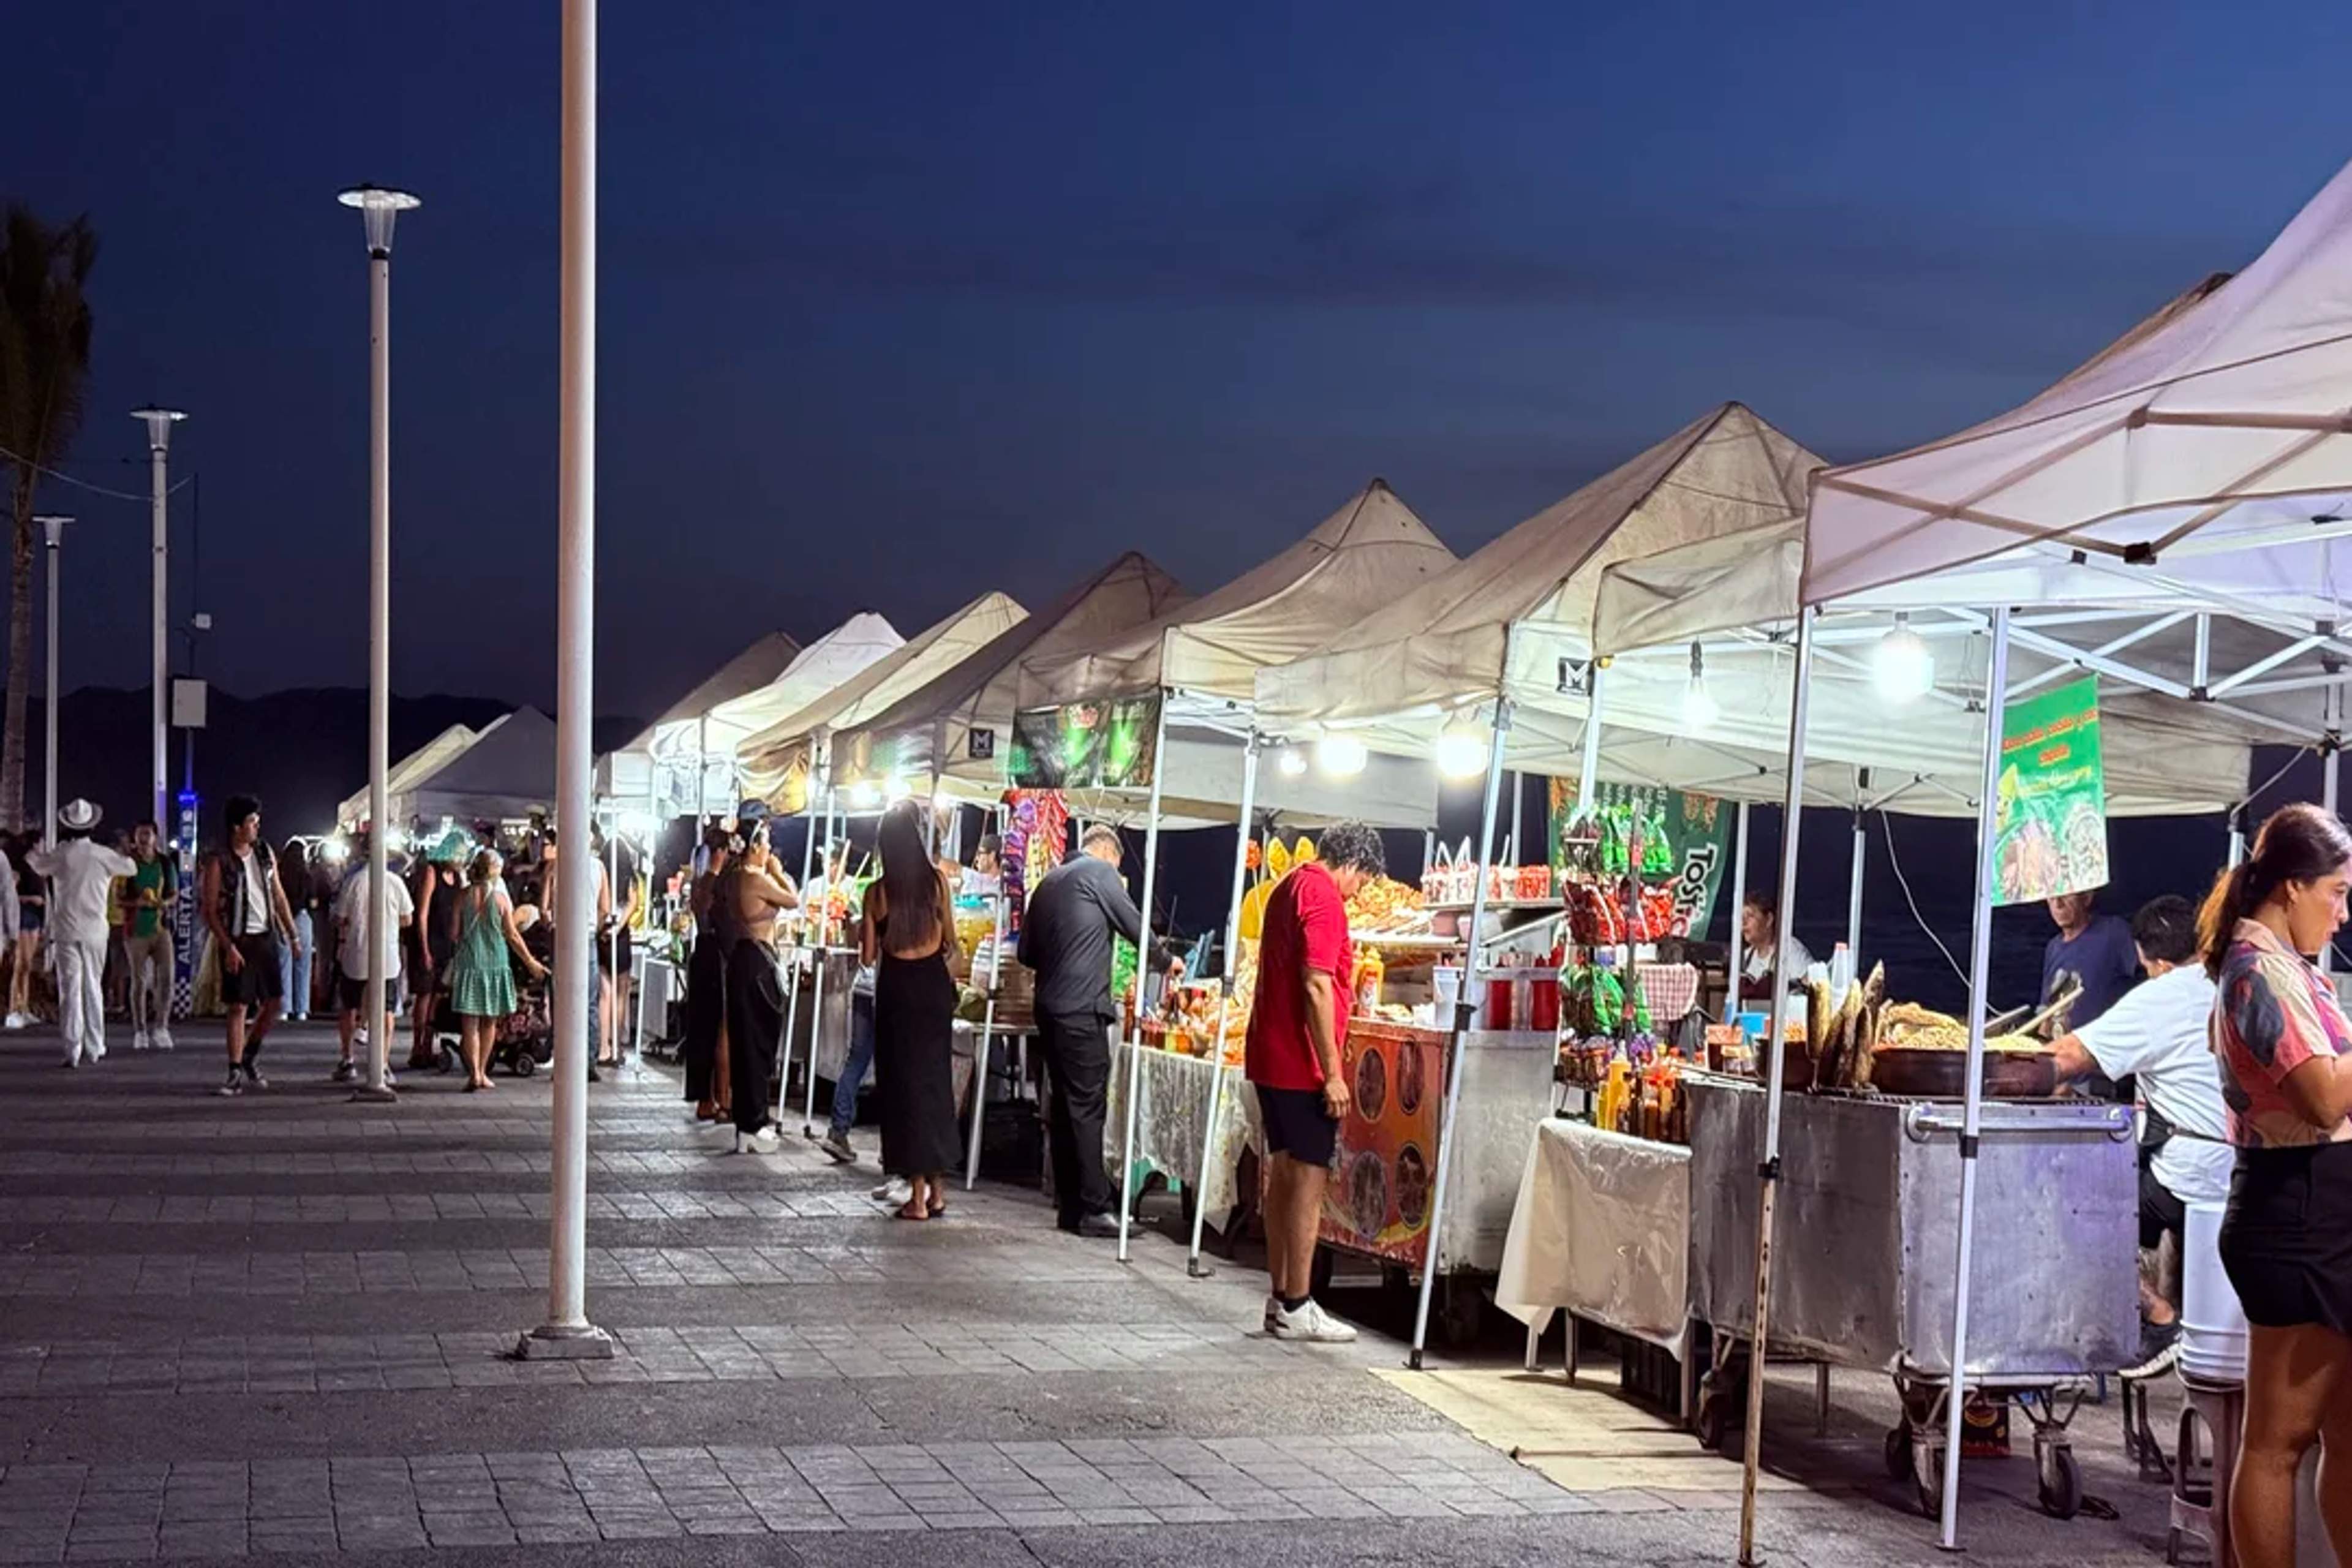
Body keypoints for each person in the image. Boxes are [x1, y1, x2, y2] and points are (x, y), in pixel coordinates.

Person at [2197, 802, 2352, 1568]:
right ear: (2292, 887)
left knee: (2347, 1432)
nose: (2344, 912)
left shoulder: (2290, 969)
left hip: (2326, 1203)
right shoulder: (2256, 972)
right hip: (2293, 1209)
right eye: (2337, 892)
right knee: (2277, 1439)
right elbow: (2323, 1097)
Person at [2048, 894, 2228, 1376]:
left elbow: (2066, 1058)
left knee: (2069, 1212)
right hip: (2248, 1172)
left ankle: (2159, 1318)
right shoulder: (2232, 983)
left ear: (2160, 963)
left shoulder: (2163, 994)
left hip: (2191, 1177)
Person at [1245, 820, 1385, 1343]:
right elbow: (1318, 985)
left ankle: (1281, 1298)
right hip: (1300, 1063)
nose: (1359, 893)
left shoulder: (1290, 884)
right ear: (1352, 864)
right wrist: (1333, 1072)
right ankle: (1299, 1302)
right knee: (1307, 1182)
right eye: (1363, 883)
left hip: (1271, 1055)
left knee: (1283, 1177)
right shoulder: (1324, 896)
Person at [1018, 824, 1183, 1236]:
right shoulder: (1101, 874)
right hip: (1081, 1010)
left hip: (1048, 1009)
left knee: (1061, 1106)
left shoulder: (1049, 882)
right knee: (1088, 1106)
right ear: (1110, 853)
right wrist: (1167, 962)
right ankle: (1096, 1208)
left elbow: (1026, 953)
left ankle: (1070, 1205)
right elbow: (1133, 925)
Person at [862, 798, 960, 1219]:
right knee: (934, 1085)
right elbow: (952, 940)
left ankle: (917, 1199)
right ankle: (937, 1191)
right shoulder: (937, 883)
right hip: (933, 988)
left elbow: (867, 956)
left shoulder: (877, 893)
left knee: (904, 1090)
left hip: (899, 991)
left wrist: (866, 926)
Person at [199, 796, 298, 1095]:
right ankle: (234, 1070)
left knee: (275, 1002)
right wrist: (227, 945)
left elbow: (278, 895)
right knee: (238, 1005)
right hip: (238, 939)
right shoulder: (220, 860)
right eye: (252, 822)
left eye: (257, 822)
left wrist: (292, 934)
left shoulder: (265, 853)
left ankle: (250, 1054)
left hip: (266, 935)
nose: (257, 827)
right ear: (236, 827)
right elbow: (210, 909)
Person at [714, 805, 799, 1152]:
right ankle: (753, 1120)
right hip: (757, 961)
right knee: (758, 1043)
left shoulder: (733, 878)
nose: (770, 851)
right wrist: (778, 871)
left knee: (746, 1040)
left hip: (741, 959)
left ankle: (747, 1120)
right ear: (754, 846)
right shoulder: (755, 878)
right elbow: (792, 899)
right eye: (766, 844)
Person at [29, 801, 134, 1069]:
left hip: (66, 929)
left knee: (70, 989)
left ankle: (72, 1048)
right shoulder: (102, 854)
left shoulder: (62, 855)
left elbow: (36, 864)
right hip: (96, 930)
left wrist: (33, 849)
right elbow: (130, 868)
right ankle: (95, 1045)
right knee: (93, 986)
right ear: (93, 825)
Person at [443, 848, 545, 1091]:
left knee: (469, 1025)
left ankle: (474, 1075)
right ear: (492, 870)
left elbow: (454, 934)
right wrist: (531, 962)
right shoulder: (500, 900)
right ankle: (482, 1072)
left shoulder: (462, 897)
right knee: (489, 1023)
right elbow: (512, 935)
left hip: (469, 965)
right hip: (495, 964)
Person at [332, 832, 415, 1084]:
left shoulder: (354, 881)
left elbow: (340, 917)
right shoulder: (395, 882)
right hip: (387, 954)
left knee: (350, 1007)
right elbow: (407, 918)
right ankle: (383, 1062)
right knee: (387, 1009)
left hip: (356, 952)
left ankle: (348, 1060)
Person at [683, 823, 734, 1121]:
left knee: (710, 1030)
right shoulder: (709, 882)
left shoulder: (708, 880)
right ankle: (718, 1099)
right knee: (716, 1030)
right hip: (714, 954)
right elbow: (700, 908)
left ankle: (712, 1097)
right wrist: (714, 872)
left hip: (709, 953)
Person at [407, 834, 465, 1071]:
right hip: (428, 941)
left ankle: (429, 1045)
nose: (462, 860)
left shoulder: (458, 878)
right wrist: (425, 949)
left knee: (439, 996)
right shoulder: (431, 872)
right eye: (459, 855)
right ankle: (417, 1046)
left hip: (446, 944)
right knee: (425, 994)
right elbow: (421, 914)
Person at [2045, 888, 2141, 1030]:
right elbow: (2047, 1008)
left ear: (2087, 897)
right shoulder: (2053, 947)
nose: (2058, 904)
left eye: (2065, 895)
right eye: (2051, 897)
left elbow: (2151, 976)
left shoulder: (2114, 931)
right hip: (2063, 1045)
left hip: (2103, 1044)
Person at [119, 821, 178, 1052]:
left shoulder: (164, 863)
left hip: (161, 928)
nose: (143, 839)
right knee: (139, 981)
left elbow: (174, 894)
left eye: (147, 834)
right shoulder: (128, 864)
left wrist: (164, 903)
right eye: (139, 834)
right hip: (136, 930)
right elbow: (118, 898)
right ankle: (140, 1030)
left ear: (155, 837)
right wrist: (138, 903)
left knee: (167, 978)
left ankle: (162, 1027)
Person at [1736, 892, 1814, 1003]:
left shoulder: (1790, 950)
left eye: (1750, 916)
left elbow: (1812, 989)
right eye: (1742, 917)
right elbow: (1730, 1004)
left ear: (1769, 920)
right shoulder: (1744, 957)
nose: (1744, 923)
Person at [277, 839, 315, 1023]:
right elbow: (313, 902)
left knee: (283, 963)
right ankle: (301, 1009)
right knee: (303, 965)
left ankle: (284, 1008)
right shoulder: (307, 875)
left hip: (282, 919)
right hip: (303, 917)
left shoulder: (280, 873)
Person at [10, 831, 44, 1028]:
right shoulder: (20, 867)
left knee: (28, 965)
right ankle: (14, 1008)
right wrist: (31, 899)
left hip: (36, 917)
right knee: (20, 963)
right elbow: (10, 894)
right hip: (23, 915)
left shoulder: (39, 867)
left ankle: (24, 1007)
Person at [958, 834, 1003, 900]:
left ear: (992, 856)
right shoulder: (971, 877)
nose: (977, 859)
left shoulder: (1003, 886)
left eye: (980, 853)